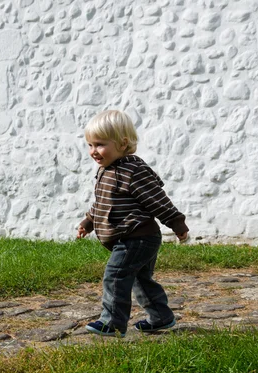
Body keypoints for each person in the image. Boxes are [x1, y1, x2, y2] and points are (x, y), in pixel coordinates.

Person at [77, 110, 189, 337]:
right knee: (140, 278)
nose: (93, 152)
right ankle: (161, 318)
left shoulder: (134, 171)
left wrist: (177, 224)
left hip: (138, 237)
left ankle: (112, 323)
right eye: (89, 145)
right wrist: (88, 222)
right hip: (129, 237)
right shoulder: (106, 171)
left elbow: (157, 200)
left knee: (116, 274)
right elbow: (102, 202)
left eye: (99, 144)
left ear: (122, 143)